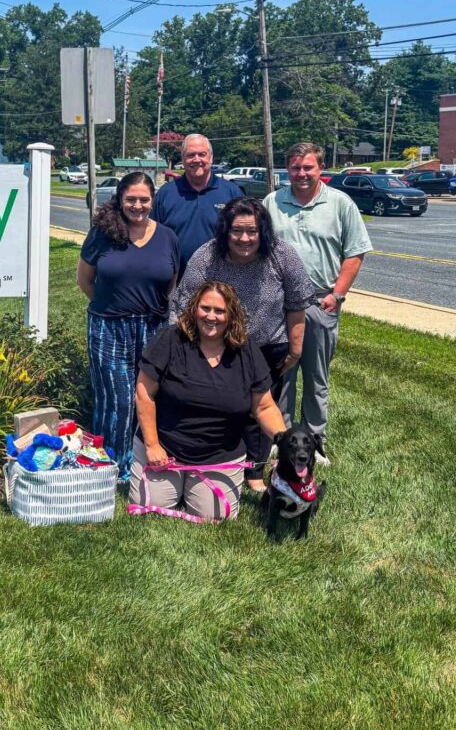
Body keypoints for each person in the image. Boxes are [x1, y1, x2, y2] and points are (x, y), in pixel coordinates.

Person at [169, 197, 314, 491]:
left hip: (267, 345)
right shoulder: (207, 256)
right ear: (225, 231)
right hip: (218, 346)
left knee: (260, 409)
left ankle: (255, 474)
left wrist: (295, 350)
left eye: (252, 231)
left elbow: (297, 304)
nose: (244, 239)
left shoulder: (281, 255)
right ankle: (218, 462)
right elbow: (183, 304)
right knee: (224, 407)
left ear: (263, 232)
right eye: (237, 231)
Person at [130, 281, 286, 519]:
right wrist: (152, 445)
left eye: (220, 311)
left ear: (231, 315)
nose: (211, 316)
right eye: (205, 308)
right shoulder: (170, 339)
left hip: (219, 455)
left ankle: (193, 485)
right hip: (164, 448)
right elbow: (144, 392)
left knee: (215, 515)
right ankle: (174, 481)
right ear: (194, 309)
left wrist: (284, 444)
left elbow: (264, 406)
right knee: (152, 508)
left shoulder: (246, 351)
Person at [264, 142, 372, 458]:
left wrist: (337, 295)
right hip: (280, 303)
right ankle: (279, 436)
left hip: (319, 301)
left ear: (320, 169)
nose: (301, 173)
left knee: (316, 376)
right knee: (282, 372)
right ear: (288, 169)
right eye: (296, 168)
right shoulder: (273, 202)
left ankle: (314, 439)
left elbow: (355, 251)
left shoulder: (341, 204)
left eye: (308, 167)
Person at [77, 172, 179, 478]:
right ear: (120, 199)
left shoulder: (167, 237)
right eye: (131, 199)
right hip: (109, 327)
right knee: (117, 399)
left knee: (149, 395)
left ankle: (143, 458)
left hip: (153, 328)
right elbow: (84, 280)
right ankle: (111, 466)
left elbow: (171, 282)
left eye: (144, 199)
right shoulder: (102, 234)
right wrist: (114, 306)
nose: (137, 205)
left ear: (153, 201)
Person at [150, 133, 242, 279]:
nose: (197, 159)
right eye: (191, 155)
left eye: (202, 154)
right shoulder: (165, 194)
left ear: (211, 158)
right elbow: (151, 238)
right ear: (183, 159)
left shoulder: (231, 193)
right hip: (175, 282)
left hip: (221, 283)